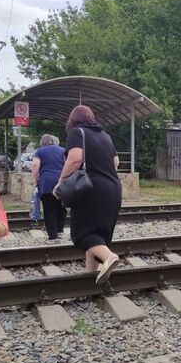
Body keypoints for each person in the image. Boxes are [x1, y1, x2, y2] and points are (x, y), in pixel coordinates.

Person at [55, 105, 121, 285]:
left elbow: (76, 159)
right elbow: (116, 163)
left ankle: (108, 257)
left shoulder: (77, 133)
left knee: (82, 233)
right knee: (98, 234)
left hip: (91, 189)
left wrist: (61, 181)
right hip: (113, 188)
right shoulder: (105, 136)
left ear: (73, 120)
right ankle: (90, 276)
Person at [31, 134, 66, 240]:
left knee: (49, 209)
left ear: (42, 142)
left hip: (46, 183)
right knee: (61, 207)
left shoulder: (40, 151)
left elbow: (35, 165)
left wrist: (34, 181)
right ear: (54, 141)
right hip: (61, 182)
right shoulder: (62, 150)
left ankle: (53, 236)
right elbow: (67, 164)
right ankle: (60, 231)